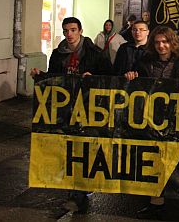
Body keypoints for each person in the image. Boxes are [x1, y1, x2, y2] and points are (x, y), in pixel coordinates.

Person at [30, 17, 111, 214]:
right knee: (69, 147)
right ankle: (75, 190)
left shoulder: (95, 53)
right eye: (66, 30)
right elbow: (54, 78)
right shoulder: (58, 54)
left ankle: (80, 191)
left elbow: (109, 77)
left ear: (80, 31)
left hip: (89, 109)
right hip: (66, 109)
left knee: (85, 148)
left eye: (73, 30)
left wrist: (94, 79)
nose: (69, 34)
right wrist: (41, 76)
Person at [133, 25, 179, 219]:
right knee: (154, 160)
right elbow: (135, 81)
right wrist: (131, 76)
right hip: (152, 119)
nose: (161, 46)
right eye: (157, 42)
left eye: (165, 42)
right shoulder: (145, 61)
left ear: (172, 42)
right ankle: (155, 202)